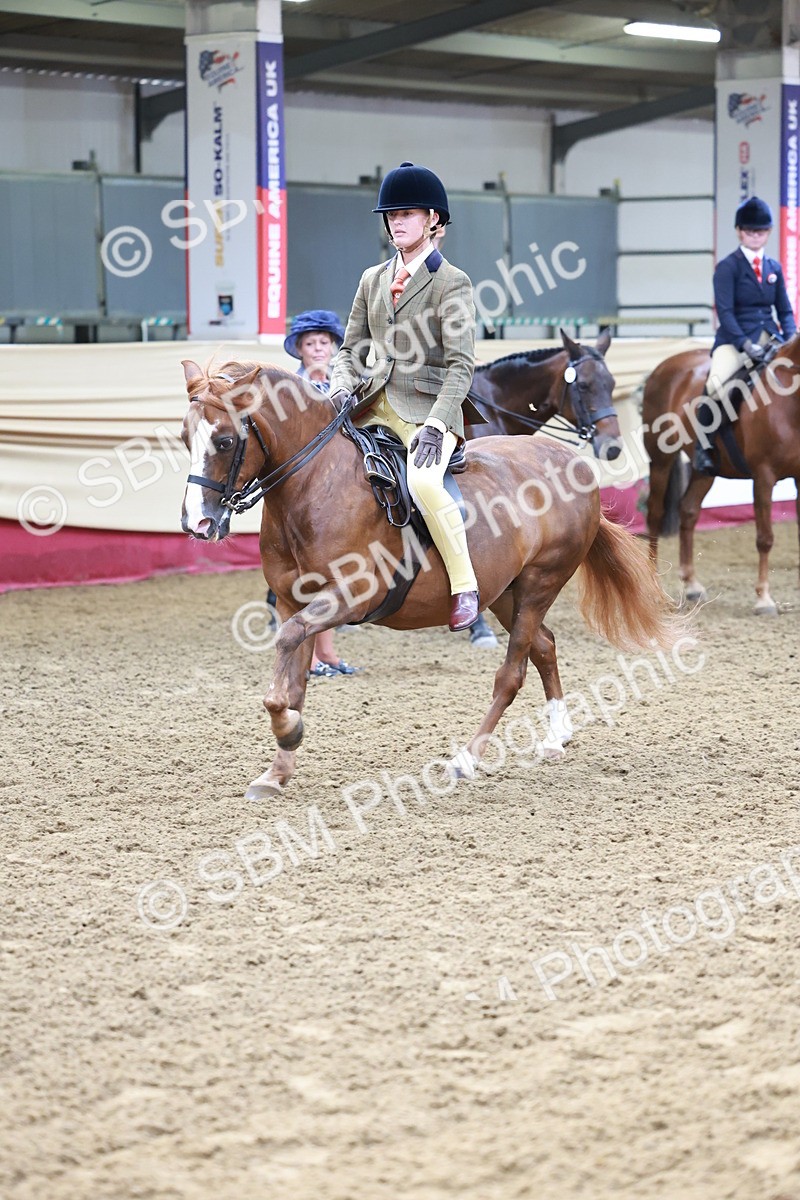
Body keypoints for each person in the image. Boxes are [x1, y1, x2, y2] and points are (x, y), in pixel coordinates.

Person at [329, 160, 481, 632]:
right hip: (372, 403)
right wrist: (340, 386)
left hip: (428, 411)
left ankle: (464, 585)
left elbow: (461, 365)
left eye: (407, 214)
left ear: (433, 219)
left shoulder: (451, 282)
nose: (396, 222)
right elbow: (350, 349)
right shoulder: (372, 279)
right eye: (391, 215)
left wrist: (437, 424)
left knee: (426, 484)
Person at [283, 309, 363, 679]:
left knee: (329, 573)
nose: (318, 349)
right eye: (310, 343)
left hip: (336, 484)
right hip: (302, 489)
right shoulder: (289, 389)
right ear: (299, 349)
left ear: (333, 347)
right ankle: (310, 659)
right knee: (309, 574)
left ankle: (328, 654)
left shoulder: (344, 381)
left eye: (324, 342)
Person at [694, 196, 797, 474]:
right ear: (740, 232)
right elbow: (725, 312)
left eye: (760, 232)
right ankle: (703, 447)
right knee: (716, 383)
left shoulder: (774, 268)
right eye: (750, 231)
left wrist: (791, 339)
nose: (755, 236)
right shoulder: (728, 267)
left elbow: (784, 311)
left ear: (769, 233)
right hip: (734, 339)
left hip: (771, 337)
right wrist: (744, 343)